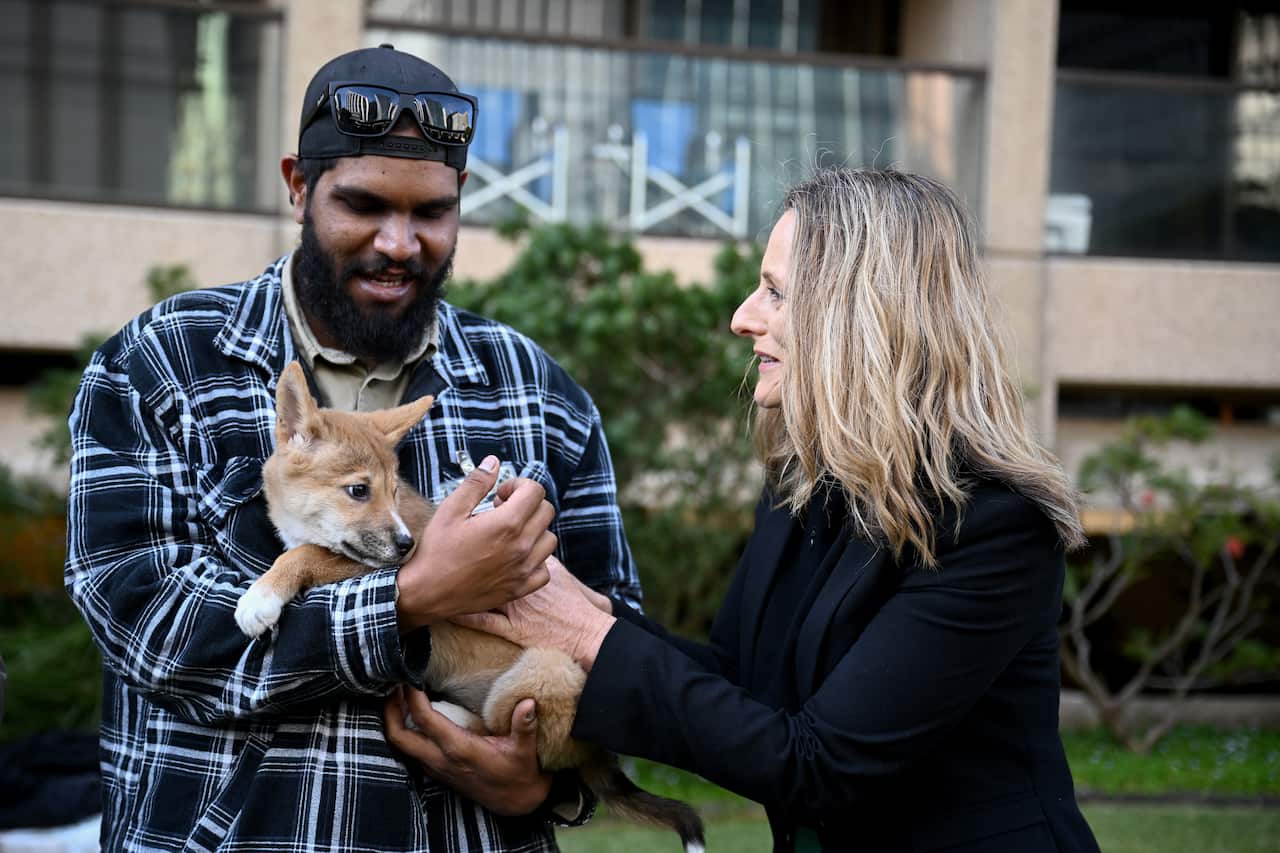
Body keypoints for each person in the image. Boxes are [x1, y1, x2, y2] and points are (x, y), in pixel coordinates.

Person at [64, 44, 640, 852]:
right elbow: (143, 623)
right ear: (298, 185)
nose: (400, 242)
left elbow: (616, 638)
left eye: (431, 212)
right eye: (365, 204)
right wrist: (407, 598)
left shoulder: (536, 390)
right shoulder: (162, 364)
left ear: (460, 201)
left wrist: (546, 782)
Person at [427, 168, 1104, 852]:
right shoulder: (802, 487)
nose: (742, 317)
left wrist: (588, 638)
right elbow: (741, 685)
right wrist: (585, 609)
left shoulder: (993, 524)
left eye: (776, 293)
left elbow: (819, 765)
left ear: (861, 315)